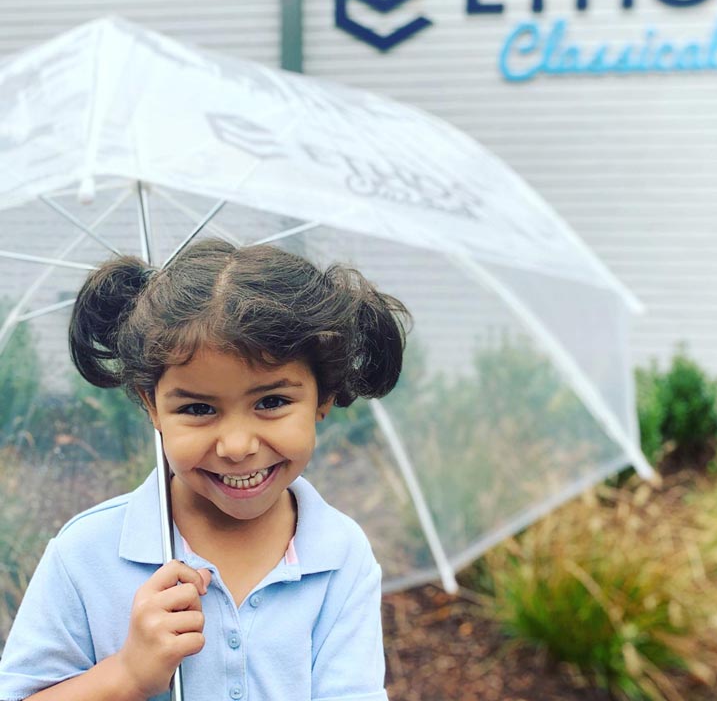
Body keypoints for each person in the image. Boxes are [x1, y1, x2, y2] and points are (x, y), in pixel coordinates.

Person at [0, 238, 410, 701]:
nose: (236, 447)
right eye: (198, 408)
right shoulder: (85, 555)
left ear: (324, 396)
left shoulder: (340, 554)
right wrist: (128, 675)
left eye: (272, 402)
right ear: (151, 405)